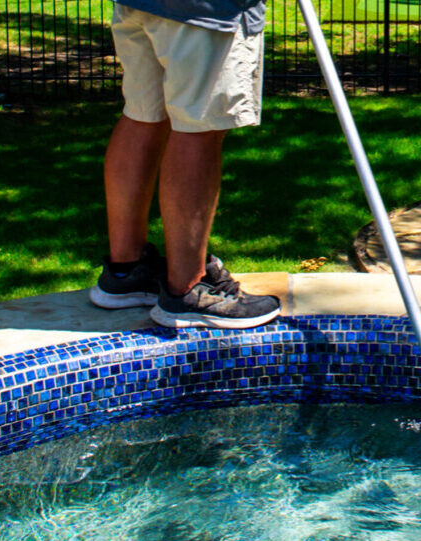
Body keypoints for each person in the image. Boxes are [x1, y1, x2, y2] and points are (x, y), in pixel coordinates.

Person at [88, 0, 281, 329]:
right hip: (205, 13)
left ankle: (127, 270)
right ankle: (187, 289)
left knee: (143, 115)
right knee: (200, 128)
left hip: (141, 5)